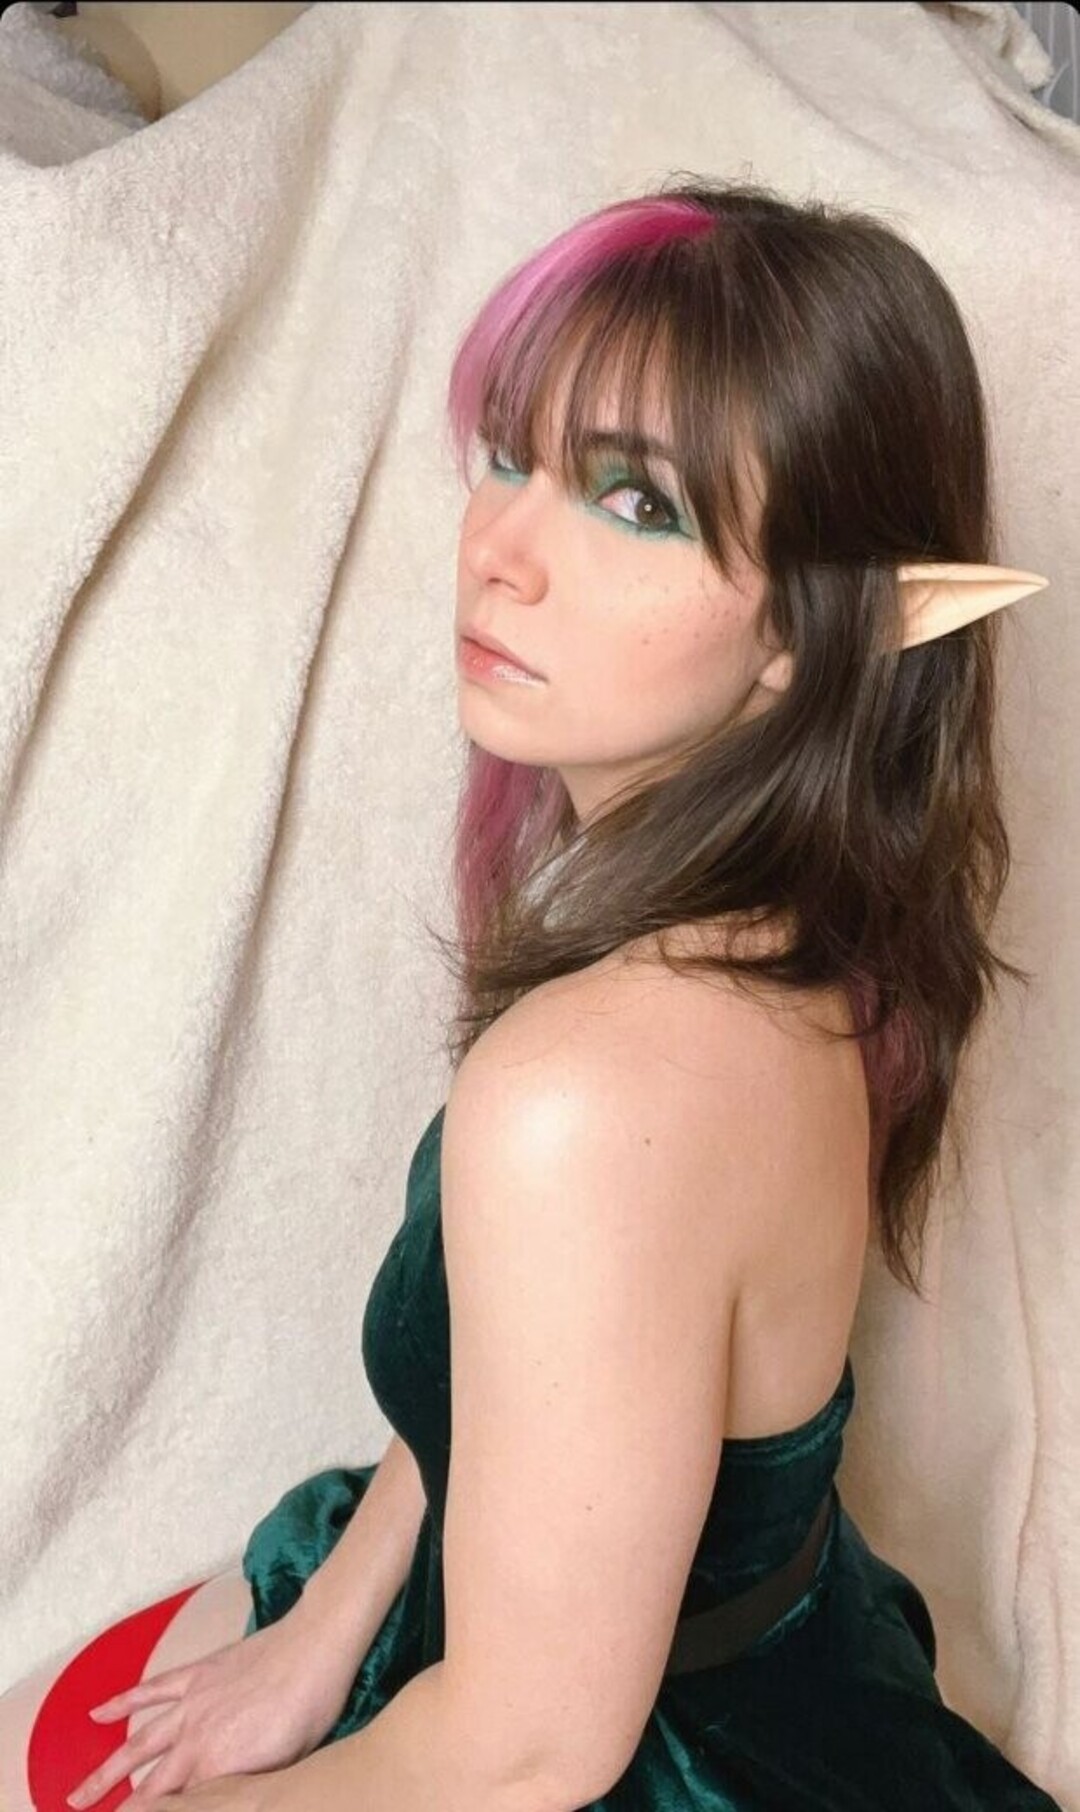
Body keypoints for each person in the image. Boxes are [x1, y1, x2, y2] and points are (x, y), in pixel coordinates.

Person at [0, 177, 1057, 1812]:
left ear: (806, 630)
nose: (497, 551)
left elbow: (526, 1753)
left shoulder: (594, 1093)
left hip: (619, 1746)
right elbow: (527, 1382)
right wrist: (325, 1631)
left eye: (634, 504)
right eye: (508, 456)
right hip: (587, 1625)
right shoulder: (782, 921)